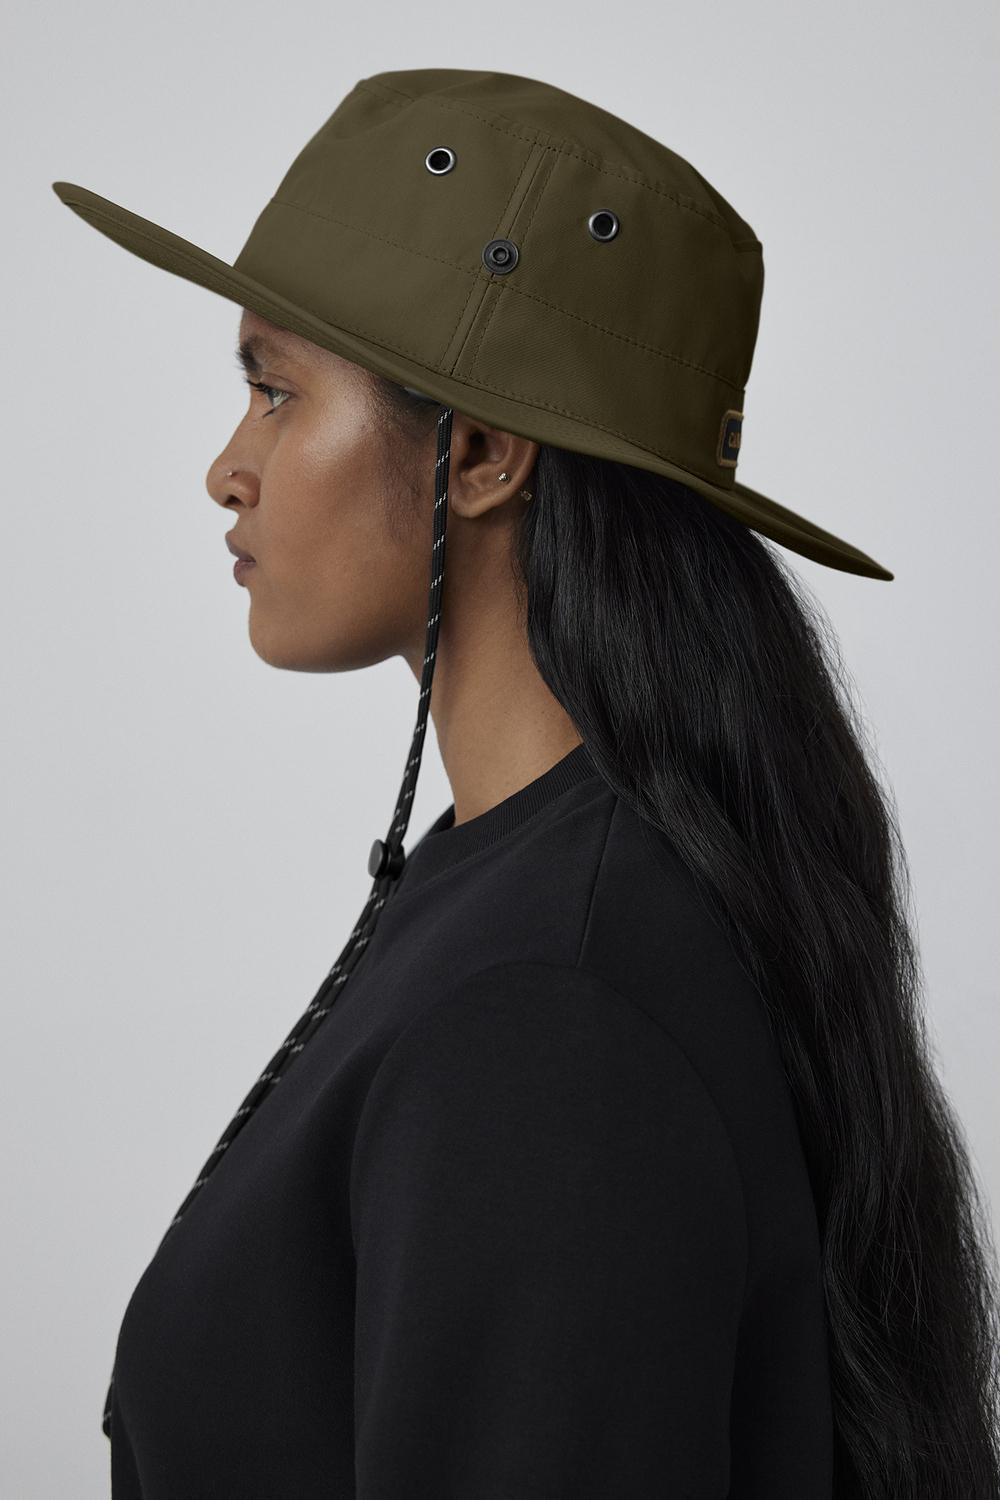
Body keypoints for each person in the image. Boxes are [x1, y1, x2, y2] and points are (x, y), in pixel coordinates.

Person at [52, 69, 1000, 1499]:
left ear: (484, 456)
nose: (226, 470)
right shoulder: (535, 892)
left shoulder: (550, 1009)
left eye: (274, 390)